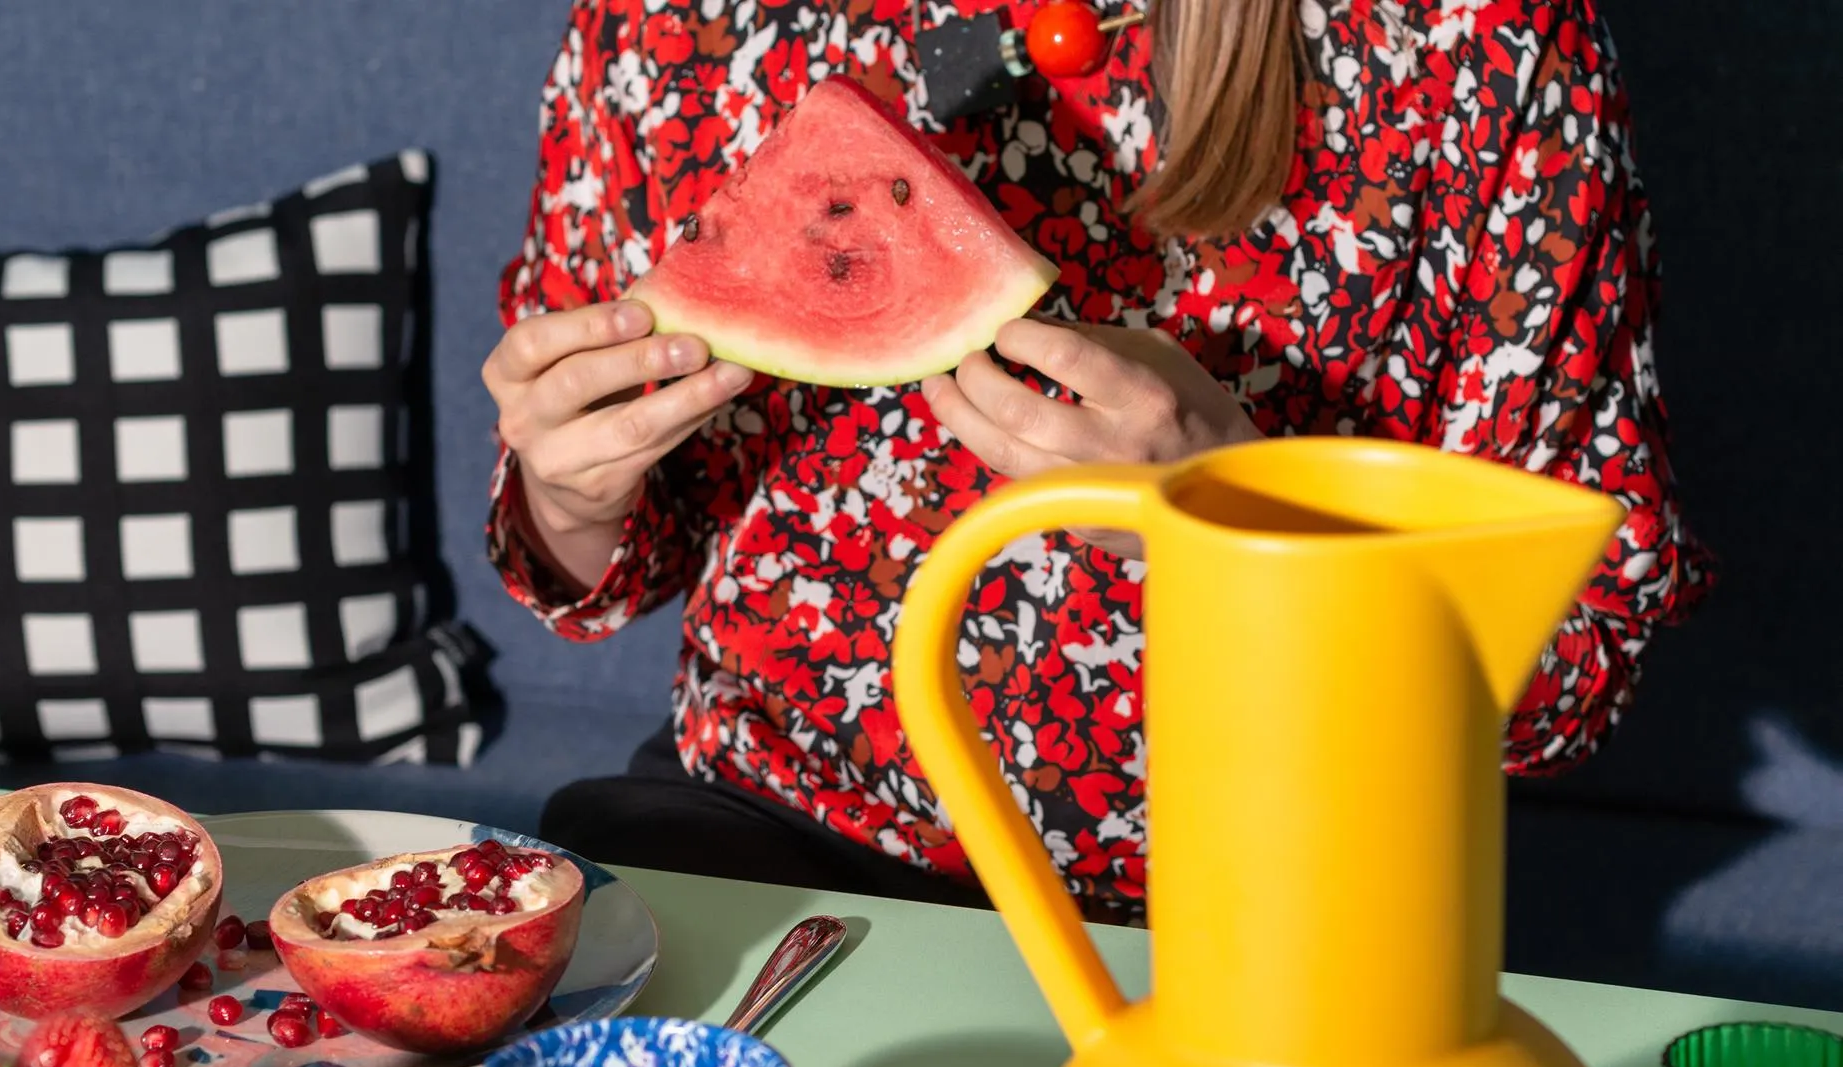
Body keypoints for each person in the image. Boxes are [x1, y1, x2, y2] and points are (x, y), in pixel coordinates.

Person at [481, 0, 1712, 922]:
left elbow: (1572, 665)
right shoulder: (671, 22)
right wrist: (571, 491)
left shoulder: (1480, 40)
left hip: (1263, 893)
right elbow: (599, 563)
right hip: (763, 826)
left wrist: (1246, 517)